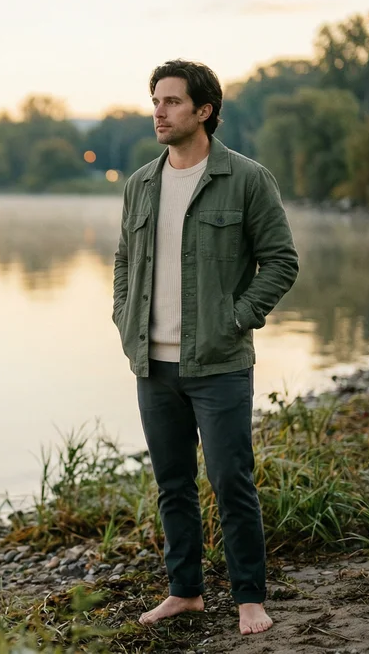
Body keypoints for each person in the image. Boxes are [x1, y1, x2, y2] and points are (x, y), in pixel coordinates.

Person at [111, 59, 299, 636]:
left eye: (170, 101)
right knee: (172, 484)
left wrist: (236, 320)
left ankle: (249, 600)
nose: (158, 112)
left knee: (230, 480)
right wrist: (124, 319)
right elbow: (123, 261)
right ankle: (184, 592)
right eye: (155, 101)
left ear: (204, 110)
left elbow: (282, 261)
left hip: (218, 365)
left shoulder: (246, 178)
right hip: (153, 364)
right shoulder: (141, 183)